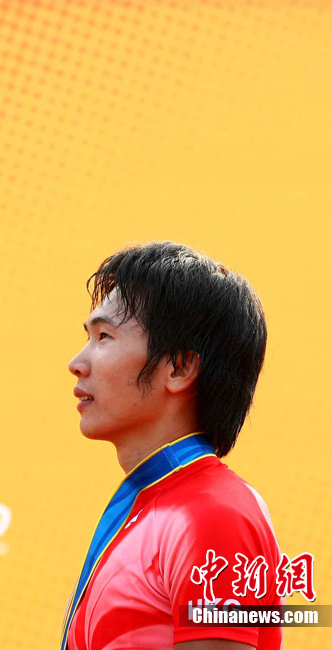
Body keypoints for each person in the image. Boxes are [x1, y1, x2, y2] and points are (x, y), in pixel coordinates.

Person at [61, 242, 283, 650]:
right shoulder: (150, 506)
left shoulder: (213, 515)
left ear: (179, 367)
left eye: (104, 336)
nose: (77, 363)